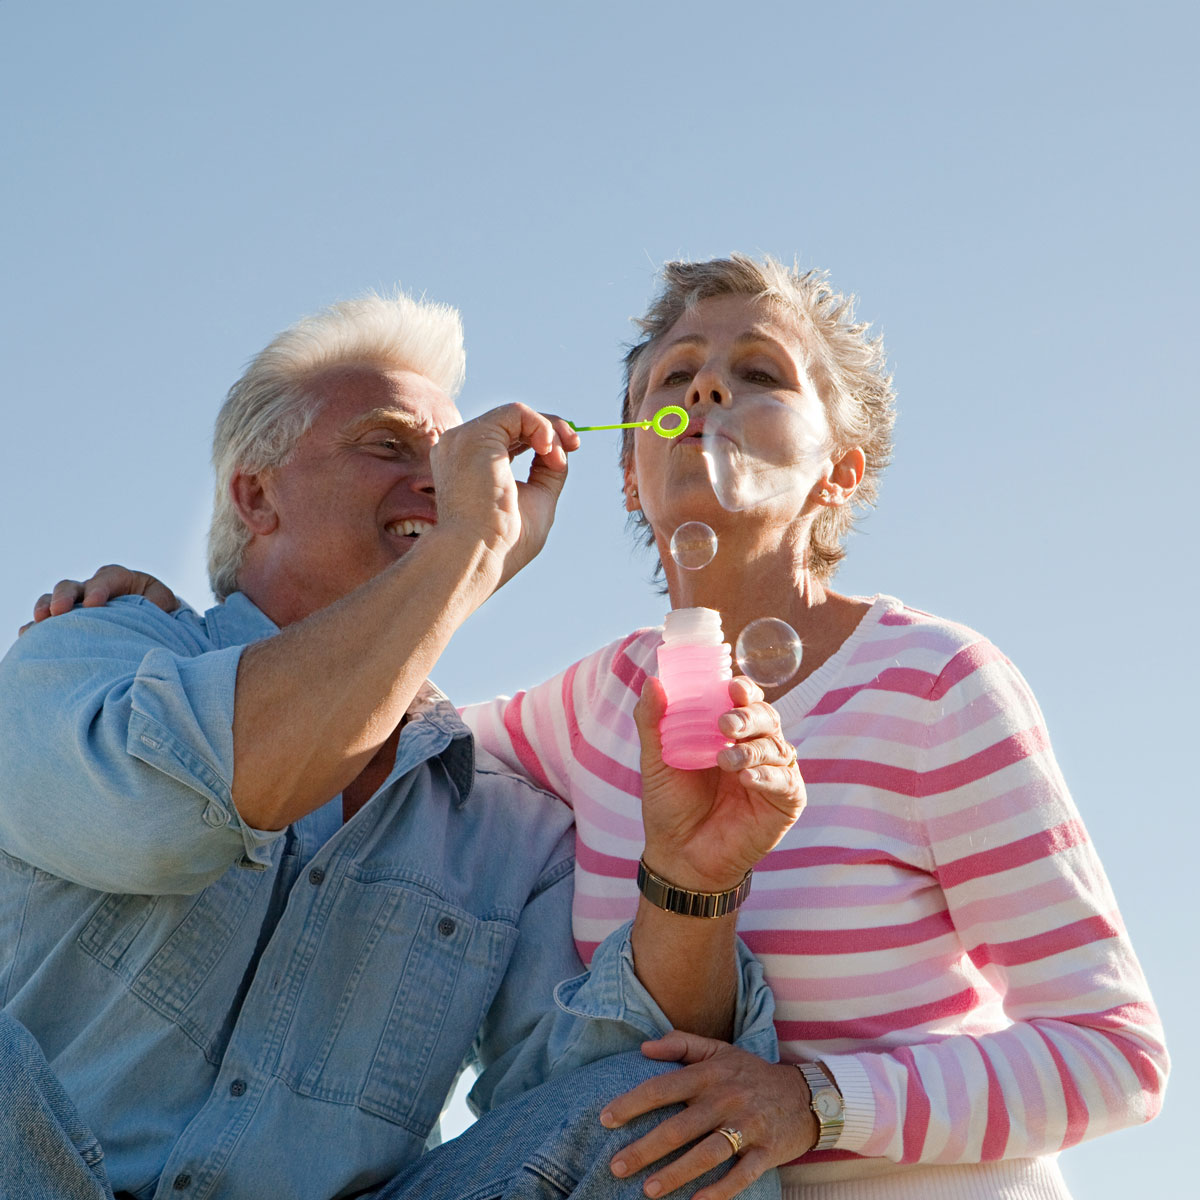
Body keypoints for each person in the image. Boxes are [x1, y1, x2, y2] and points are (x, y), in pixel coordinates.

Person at [68, 256, 1170, 1199]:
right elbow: (376, 732)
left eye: (758, 374)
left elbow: (1118, 1056)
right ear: (635, 478)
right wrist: (187, 629)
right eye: (675, 378)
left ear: (840, 471)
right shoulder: (590, 711)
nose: (707, 392)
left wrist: (815, 1105)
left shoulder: (934, 687)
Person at [0, 289, 805, 1200]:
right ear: (254, 495)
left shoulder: (509, 819)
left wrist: (690, 884)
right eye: (389, 446)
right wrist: (462, 547)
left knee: (672, 1122)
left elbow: (601, 1076)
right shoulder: (88, 653)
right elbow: (163, 814)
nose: (444, 480)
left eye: (455, 462)